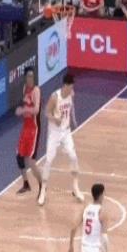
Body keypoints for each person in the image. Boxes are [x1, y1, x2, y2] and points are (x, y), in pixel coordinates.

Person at [38, 74, 83, 206]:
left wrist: (74, 119)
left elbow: (71, 106)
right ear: (65, 85)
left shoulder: (71, 94)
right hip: (55, 133)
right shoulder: (55, 97)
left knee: (73, 157)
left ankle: (75, 186)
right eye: (71, 87)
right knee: (49, 160)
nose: (72, 89)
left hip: (66, 132)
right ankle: (43, 190)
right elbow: (46, 112)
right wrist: (55, 119)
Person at [15, 67, 43, 195]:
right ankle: (26, 184)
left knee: (31, 161)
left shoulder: (36, 90)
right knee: (19, 156)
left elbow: (36, 110)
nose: (31, 78)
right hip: (25, 127)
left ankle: (42, 185)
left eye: (32, 76)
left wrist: (24, 110)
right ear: (25, 78)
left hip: (34, 128)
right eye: (29, 76)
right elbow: (25, 106)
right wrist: (20, 110)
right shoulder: (24, 89)